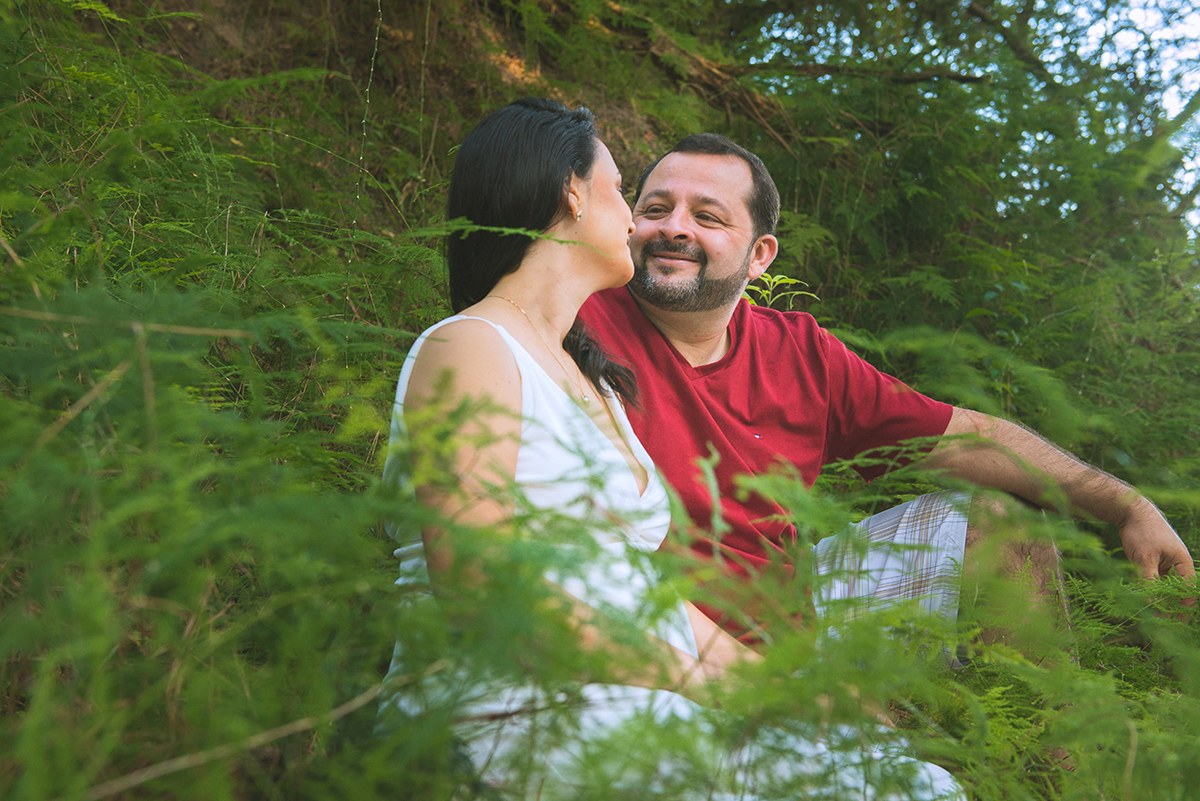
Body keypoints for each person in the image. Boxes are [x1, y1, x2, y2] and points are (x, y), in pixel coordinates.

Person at [380, 100, 963, 799]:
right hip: (504, 703)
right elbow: (481, 593)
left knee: (914, 779)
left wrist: (795, 686)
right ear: (571, 192)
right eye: (623, 190)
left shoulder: (591, 376)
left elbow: (645, 589)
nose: (637, 219)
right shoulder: (469, 345)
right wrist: (721, 688)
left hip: (619, 692)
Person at [577, 133, 1195, 647]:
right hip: (647, 612)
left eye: (707, 216)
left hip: (794, 603)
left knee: (1002, 523)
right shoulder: (573, 317)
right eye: (655, 209)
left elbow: (971, 441)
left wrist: (1129, 507)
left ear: (760, 255)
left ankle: (1051, 776)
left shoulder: (800, 352)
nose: (672, 229)